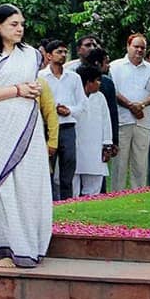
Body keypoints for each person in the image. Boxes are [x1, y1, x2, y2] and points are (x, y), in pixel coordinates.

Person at [0, 4, 52, 267]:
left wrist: (31, 89)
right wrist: (17, 89)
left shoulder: (29, 54)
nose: (20, 29)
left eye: (22, 24)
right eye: (14, 24)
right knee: (0, 186)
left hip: (26, 131)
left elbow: (31, 84)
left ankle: (26, 246)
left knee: (28, 186)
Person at [109, 33, 150, 190]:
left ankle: (138, 194)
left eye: (142, 48)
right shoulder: (115, 66)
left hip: (142, 121)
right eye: (136, 47)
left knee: (140, 163)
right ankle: (116, 195)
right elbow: (113, 91)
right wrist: (131, 106)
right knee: (119, 163)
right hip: (122, 120)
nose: (139, 50)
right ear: (128, 46)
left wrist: (142, 105)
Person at [39, 40, 86, 200]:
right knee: (46, 168)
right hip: (46, 128)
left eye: (65, 52)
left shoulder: (73, 77)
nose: (63, 55)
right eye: (59, 52)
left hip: (67, 127)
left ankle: (67, 202)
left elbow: (82, 104)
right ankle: (48, 202)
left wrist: (69, 111)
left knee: (69, 165)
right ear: (49, 55)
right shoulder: (40, 77)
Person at [72, 66, 113, 196]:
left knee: (94, 188)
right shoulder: (72, 96)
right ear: (88, 82)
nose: (99, 83)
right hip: (76, 147)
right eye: (97, 80)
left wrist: (107, 146)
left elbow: (106, 122)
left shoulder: (100, 97)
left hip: (95, 149)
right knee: (73, 187)